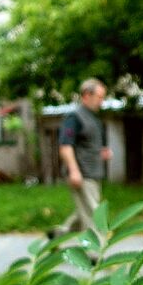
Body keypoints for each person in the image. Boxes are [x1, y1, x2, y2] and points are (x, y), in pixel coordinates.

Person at [50, 78, 113, 238]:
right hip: (82, 174)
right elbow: (65, 146)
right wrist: (74, 171)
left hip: (94, 173)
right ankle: (94, 256)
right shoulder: (74, 117)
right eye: (99, 97)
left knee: (83, 213)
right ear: (86, 95)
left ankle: (56, 236)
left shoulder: (93, 118)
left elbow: (87, 146)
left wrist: (101, 152)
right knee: (94, 214)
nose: (102, 101)